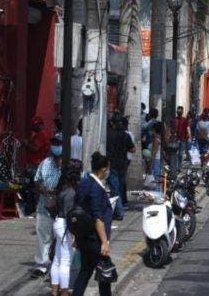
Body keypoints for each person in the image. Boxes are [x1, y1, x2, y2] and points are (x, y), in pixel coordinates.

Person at [73, 152, 114, 296]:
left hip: (83, 237)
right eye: (108, 169)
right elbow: (98, 218)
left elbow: (78, 210)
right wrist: (104, 242)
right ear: (103, 169)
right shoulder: (96, 189)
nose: (108, 171)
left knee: (85, 271)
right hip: (94, 238)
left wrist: (75, 236)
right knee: (105, 272)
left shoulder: (84, 182)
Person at [50, 159, 82, 296]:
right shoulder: (71, 192)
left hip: (58, 223)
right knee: (65, 261)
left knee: (57, 259)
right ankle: (64, 292)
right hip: (66, 226)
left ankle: (54, 290)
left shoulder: (62, 187)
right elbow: (71, 215)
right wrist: (74, 233)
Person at [31, 140, 62, 277]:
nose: (57, 161)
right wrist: (43, 189)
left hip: (61, 210)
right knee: (43, 236)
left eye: (59, 158)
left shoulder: (68, 165)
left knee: (60, 238)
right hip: (44, 207)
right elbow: (37, 180)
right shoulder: (45, 163)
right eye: (55, 158)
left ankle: (58, 265)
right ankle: (41, 265)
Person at [106, 116, 134, 220]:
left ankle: (119, 211)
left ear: (112, 124)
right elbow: (133, 149)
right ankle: (117, 210)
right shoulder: (125, 135)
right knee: (118, 188)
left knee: (115, 189)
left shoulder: (108, 135)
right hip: (122, 164)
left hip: (111, 164)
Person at [173, 106, 190, 170]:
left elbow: (187, 128)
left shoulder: (185, 120)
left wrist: (188, 136)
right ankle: (175, 166)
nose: (179, 112)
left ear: (182, 112)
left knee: (180, 154)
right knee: (176, 153)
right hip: (175, 139)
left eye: (180, 110)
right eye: (178, 110)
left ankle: (179, 166)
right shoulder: (174, 120)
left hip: (182, 139)